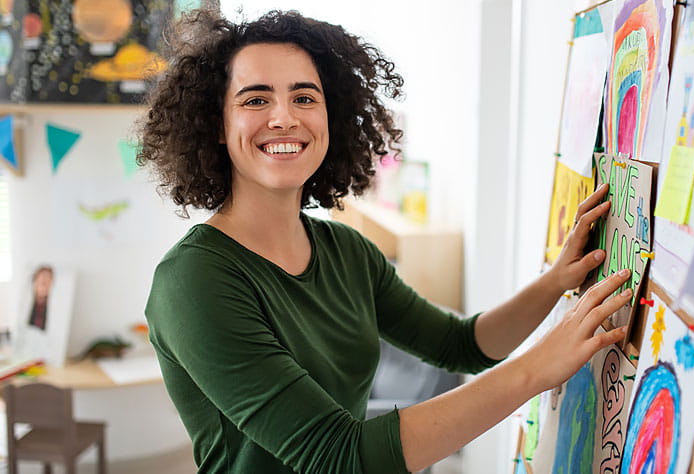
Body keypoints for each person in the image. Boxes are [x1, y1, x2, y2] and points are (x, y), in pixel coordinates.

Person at [139, 8, 631, 474]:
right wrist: (536, 370)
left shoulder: (347, 251)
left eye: (305, 97)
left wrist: (556, 281)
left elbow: (462, 345)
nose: (284, 117)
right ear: (217, 126)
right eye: (255, 99)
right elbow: (338, 456)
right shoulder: (193, 279)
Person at [28, 265, 53, 331]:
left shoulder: (51, 309)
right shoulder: (28, 306)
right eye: (42, 281)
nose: (44, 286)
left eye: (48, 280)